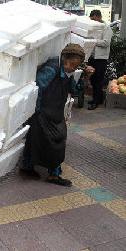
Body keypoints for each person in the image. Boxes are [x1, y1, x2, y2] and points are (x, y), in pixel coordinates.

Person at [20, 44, 84, 187]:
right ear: (63, 57)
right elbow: (38, 87)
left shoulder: (67, 71)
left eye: (76, 66)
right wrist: (36, 113)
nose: (73, 68)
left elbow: (73, 88)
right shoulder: (52, 69)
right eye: (72, 64)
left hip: (55, 114)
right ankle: (51, 174)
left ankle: (32, 168)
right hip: (43, 113)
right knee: (47, 142)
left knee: (47, 141)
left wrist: (83, 79)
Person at [85, 9, 112, 110]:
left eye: (95, 19)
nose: (93, 22)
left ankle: (96, 101)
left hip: (100, 58)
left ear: (99, 17)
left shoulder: (106, 28)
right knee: (92, 79)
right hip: (92, 57)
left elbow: (106, 43)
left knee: (98, 80)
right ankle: (98, 99)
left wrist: (94, 41)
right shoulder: (94, 28)